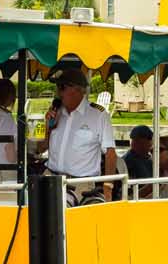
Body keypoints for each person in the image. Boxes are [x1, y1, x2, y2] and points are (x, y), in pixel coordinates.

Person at [45, 67, 117, 203]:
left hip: (80, 186)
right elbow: (41, 148)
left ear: (77, 90)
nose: (58, 93)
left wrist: (108, 188)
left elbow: (110, 154)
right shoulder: (57, 113)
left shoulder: (98, 115)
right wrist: (48, 127)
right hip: (50, 179)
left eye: (61, 87)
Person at [123, 124, 154, 198]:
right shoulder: (129, 161)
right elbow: (130, 193)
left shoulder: (148, 158)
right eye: (149, 139)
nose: (151, 143)